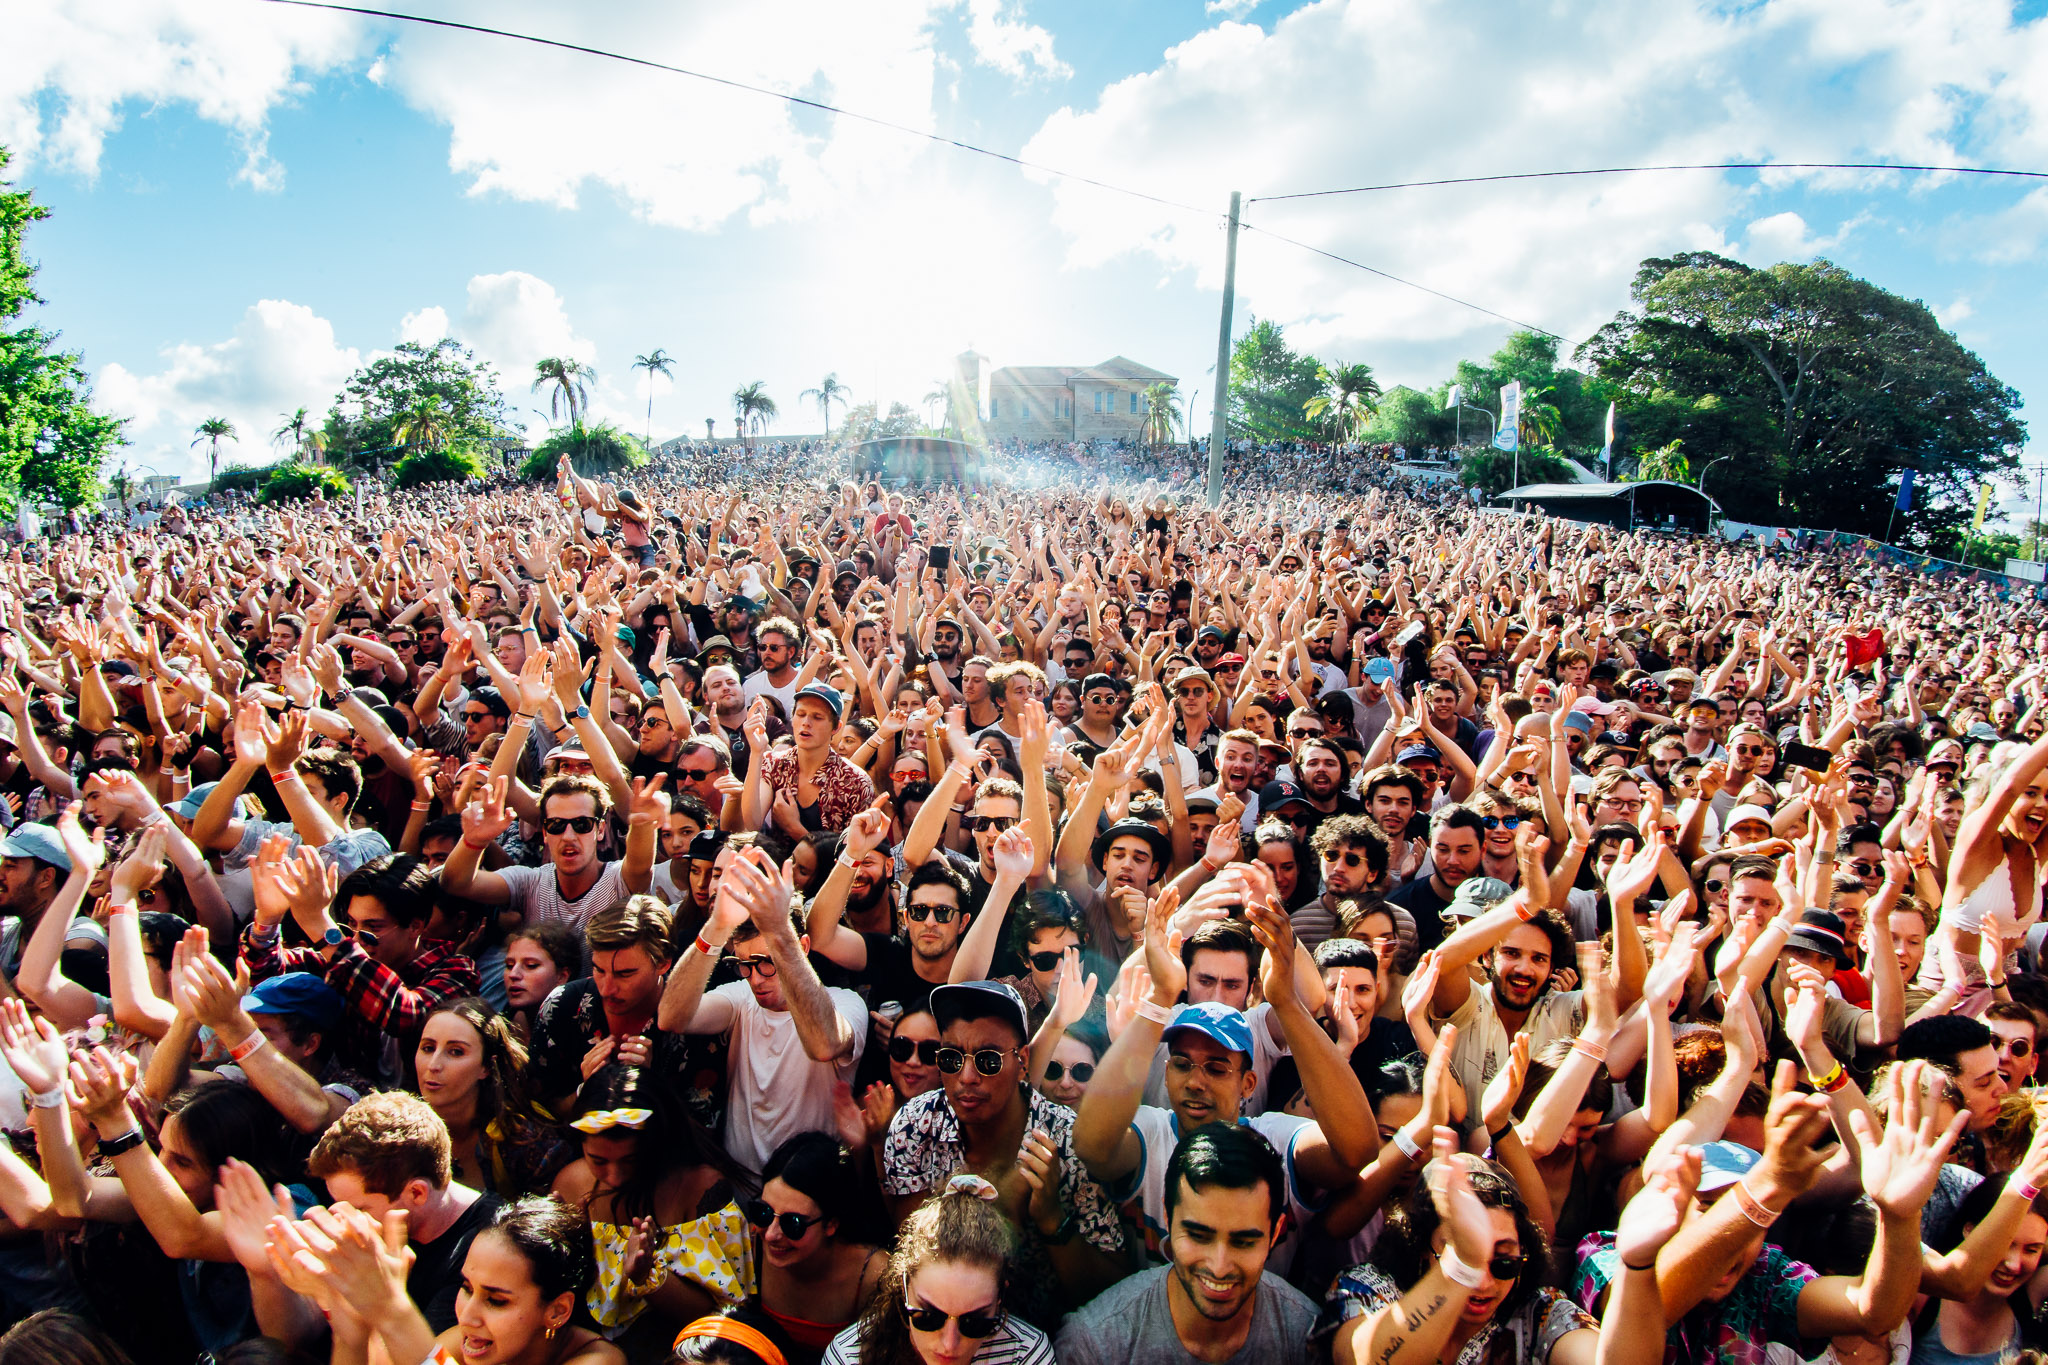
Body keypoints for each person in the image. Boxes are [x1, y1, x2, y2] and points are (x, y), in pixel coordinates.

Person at [659, 844, 869, 1172]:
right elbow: (672, 1017)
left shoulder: (845, 1002)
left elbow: (824, 1044)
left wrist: (778, 931)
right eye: (744, 965)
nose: (756, 979)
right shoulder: (740, 997)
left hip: (808, 1196)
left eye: (766, 963)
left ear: (802, 946)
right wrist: (717, 926)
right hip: (739, 1194)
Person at [1055, 1124, 1317, 1365]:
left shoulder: (1307, 1338)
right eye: (1199, 1236)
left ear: (1276, 1233)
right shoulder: (1095, 1346)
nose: (1219, 1266)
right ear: (1168, 1220)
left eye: (1243, 1242)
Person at [266, 1193, 625, 1365]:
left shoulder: (600, 1361)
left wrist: (391, 1309)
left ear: (558, 1310)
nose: (467, 1315)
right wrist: (345, 1311)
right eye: (466, 1288)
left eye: (497, 1300)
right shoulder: (471, 1337)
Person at [822, 1178, 1056, 1365]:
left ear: (1000, 1299)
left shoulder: (1025, 1355)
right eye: (929, 1317)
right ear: (904, 1287)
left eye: (974, 1322)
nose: (949, 1344)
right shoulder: (850, 1357)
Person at [749, 1134, 890, 1364]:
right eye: (763, 1213)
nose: (772, 1234)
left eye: (792, 1223)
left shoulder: (875, 1275)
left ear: (831, 1224)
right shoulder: (749, 1247)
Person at [415, 997, 575, 1197]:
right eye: (428, 1048)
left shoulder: (524, 1140)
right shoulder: (402, 1129)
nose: (433, 1065)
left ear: (486, 1067)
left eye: (456, 1052)